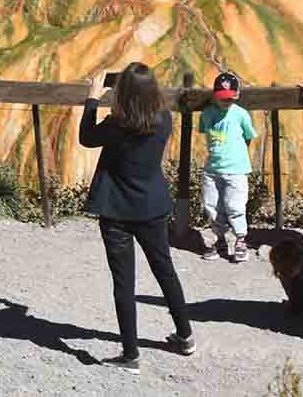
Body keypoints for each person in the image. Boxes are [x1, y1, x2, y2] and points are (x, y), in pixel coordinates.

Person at [80, 63, 195, 373]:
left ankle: (130, 355)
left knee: (123, 282)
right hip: (152, 206)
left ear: (124, 93)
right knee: (165, 270)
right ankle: (185, 336)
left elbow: (86, 137)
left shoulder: (117, 124)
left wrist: (93, 98)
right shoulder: (164, 119)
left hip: (116, 209)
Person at [198, 72, 256, 264]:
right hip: (212, 169)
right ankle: (219, 239)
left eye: (230, 98)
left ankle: (240, 239)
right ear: (215, 95)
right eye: (223, 98)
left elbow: (248, 137)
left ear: (237, 95)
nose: (226, 101)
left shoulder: (241, 114)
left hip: (237, 169)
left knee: (235, 206)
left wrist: (237, 157)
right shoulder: (207, 114)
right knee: (211, 205)